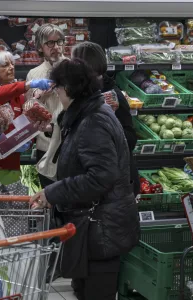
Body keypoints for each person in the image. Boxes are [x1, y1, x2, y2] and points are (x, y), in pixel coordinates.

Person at [30, 58, 140, 300]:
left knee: (96, 292)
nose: (56, 93)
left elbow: (100, 177)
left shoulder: (93, 121)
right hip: (94, 226)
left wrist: (54, 192)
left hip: (102, 227)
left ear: (67, 88)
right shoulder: (86, 114)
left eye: (57, 87)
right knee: (85, 290)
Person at [71, 41, 140, 197]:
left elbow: (130, 138)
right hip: (98, 177)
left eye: (73, 62)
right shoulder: (86, 91)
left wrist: (108, 121)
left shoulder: (111, 95)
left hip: (114, 183)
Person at [0, 50, 52, 185]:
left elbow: (25, 123)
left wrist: (27, 141)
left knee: (10, 204)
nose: (11, 67)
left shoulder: (18, 97)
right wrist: (29, 84)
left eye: (12, 64)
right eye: (5, 65)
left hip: (12, 166)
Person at [26, 23, 65, 189]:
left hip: (69, 143)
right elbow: (29, 110)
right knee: (49, 196)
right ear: (40, 47)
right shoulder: (33, 75)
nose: (56, 47)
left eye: (59, 42)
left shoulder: (74, 68)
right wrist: (41, 97)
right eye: (50, 43)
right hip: (45, 146)